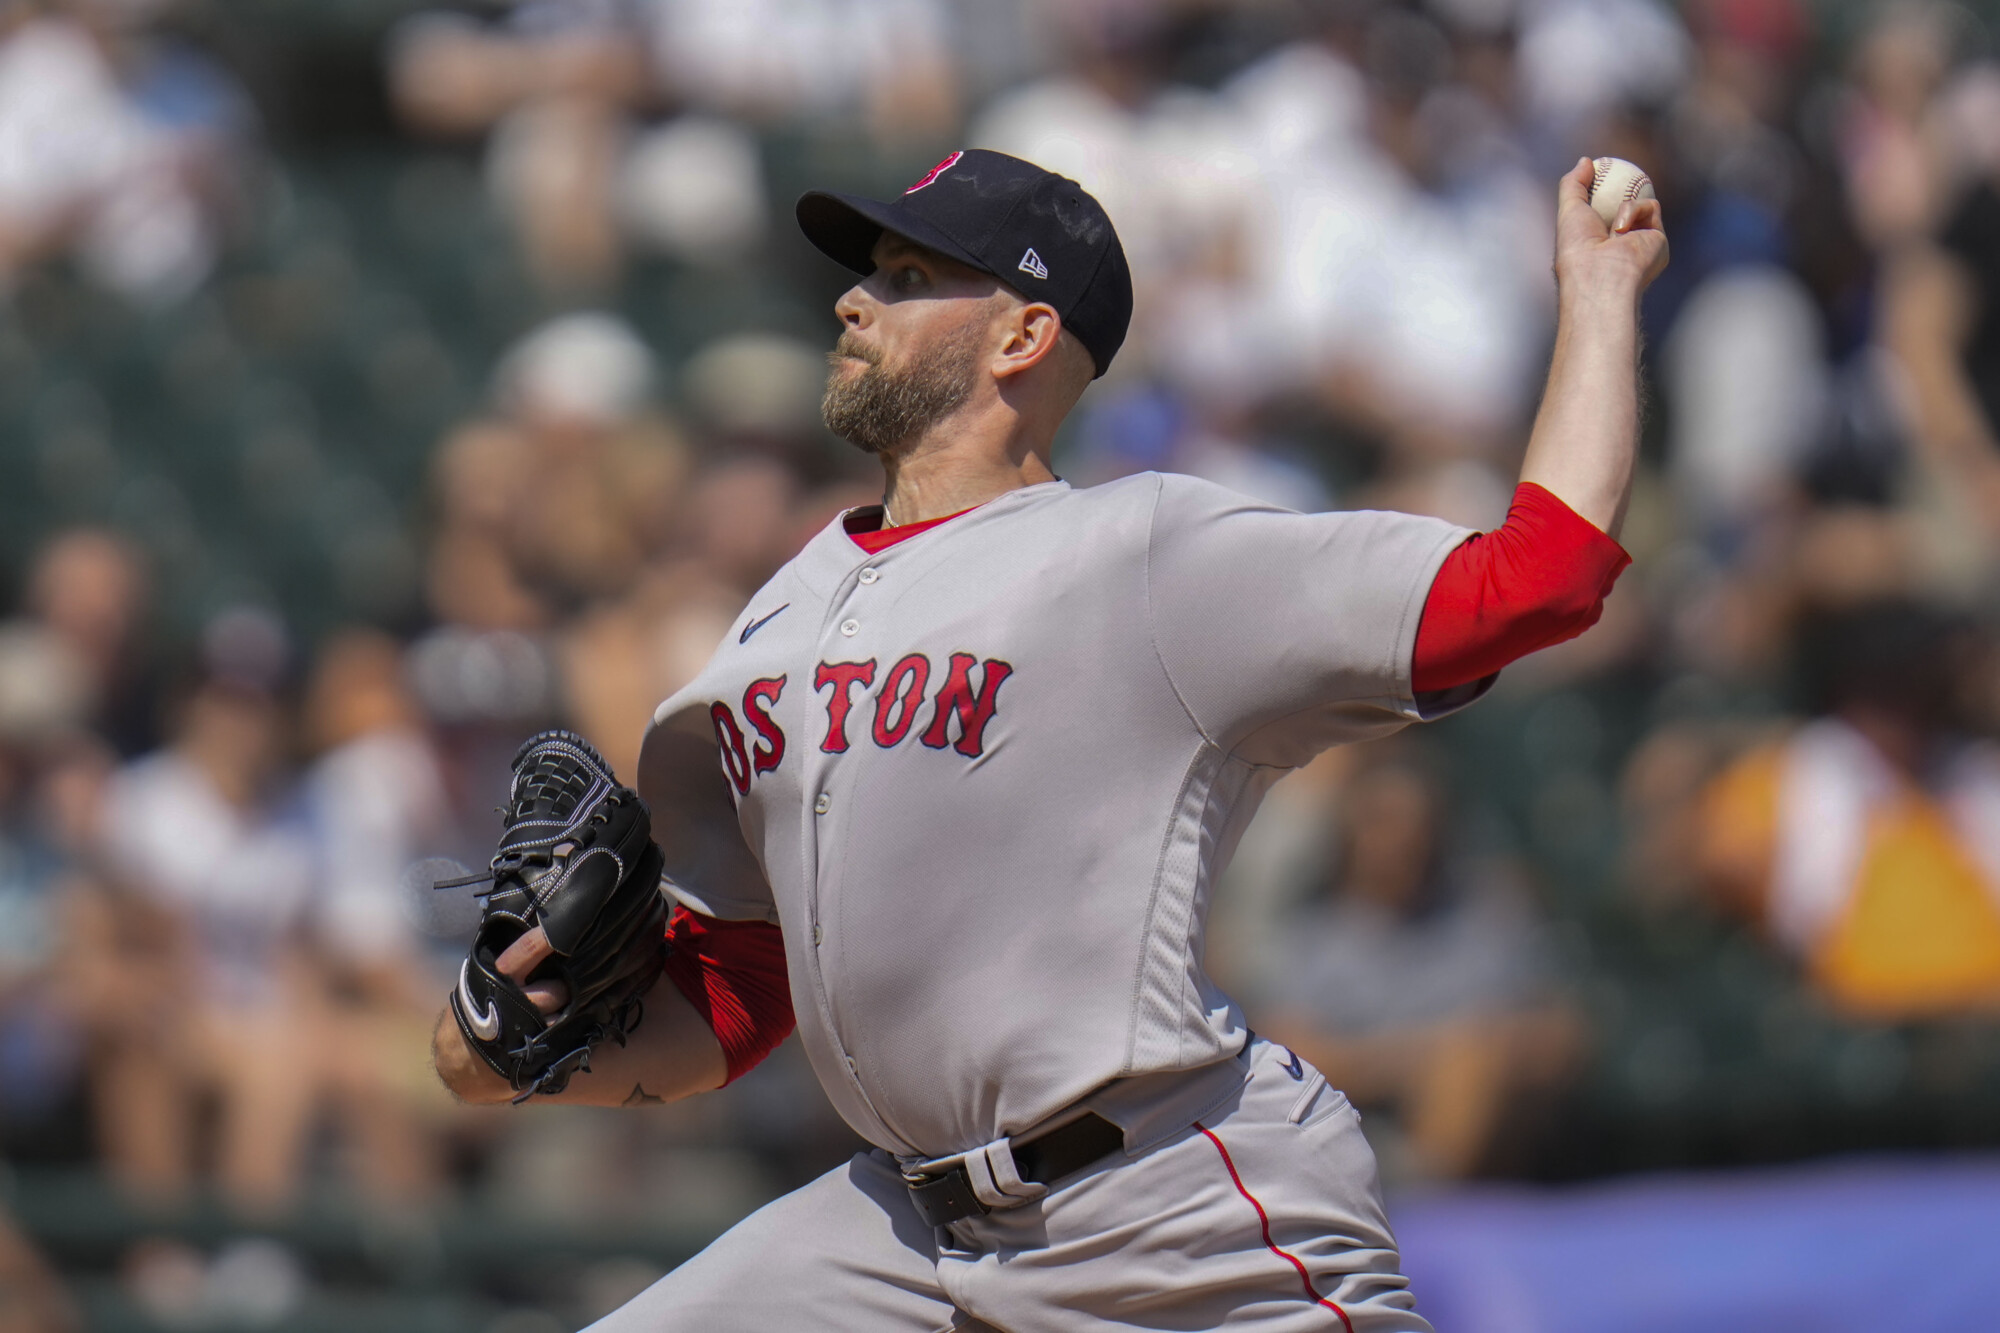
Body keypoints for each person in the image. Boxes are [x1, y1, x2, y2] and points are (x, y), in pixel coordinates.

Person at [433, 148, 1667, 1330]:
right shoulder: (777, 613)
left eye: (910, 281)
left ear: (1023, 336)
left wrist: (1596, 292)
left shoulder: (1149, 556)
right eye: (868, 274)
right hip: (903, 1232)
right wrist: (516, 1035)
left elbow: (1537, 579)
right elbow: (741, 995)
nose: (855, 300)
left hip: (1163, 1204)